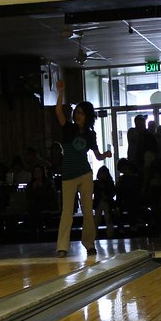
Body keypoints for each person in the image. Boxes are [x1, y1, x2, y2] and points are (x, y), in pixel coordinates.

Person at [55, 81, 112, 257]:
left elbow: (97, 155)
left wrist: (106, 155)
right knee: (67, 212)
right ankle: (62, 247)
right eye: (76, 112)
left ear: (87, 116)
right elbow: (58, 111)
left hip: (85, 174)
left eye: (81, 113)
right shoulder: (68, 129)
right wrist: (61, 91)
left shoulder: (90, 134)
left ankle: (89, 243)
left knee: (88, 211)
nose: (77, 115)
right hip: (68, 175)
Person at [93, 165, 117, 239]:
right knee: (105, 219)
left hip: (101, 202)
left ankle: (96, 235)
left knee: (103, 219)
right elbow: (113, 192)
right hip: (104, 202)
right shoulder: (109, 183)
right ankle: (109, 234)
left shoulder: (96, 183)